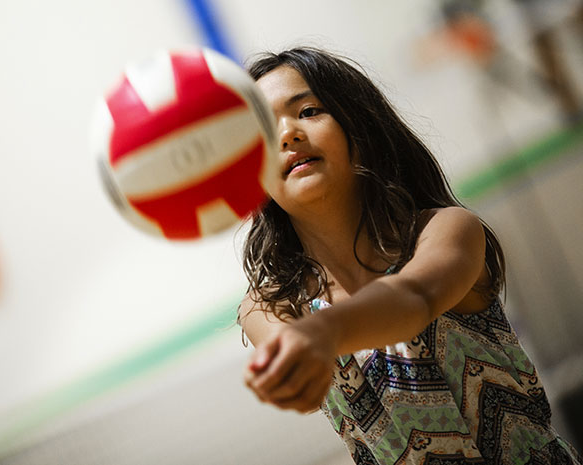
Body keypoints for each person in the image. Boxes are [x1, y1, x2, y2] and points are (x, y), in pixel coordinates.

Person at [237, 47, 581, 464]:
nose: (288, 134)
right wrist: (291, 368)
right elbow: (293, 363)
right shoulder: (273, 304)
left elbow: (413, 299)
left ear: (360, 128)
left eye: (308, 111)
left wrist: (323, 333)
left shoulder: (446, 231)